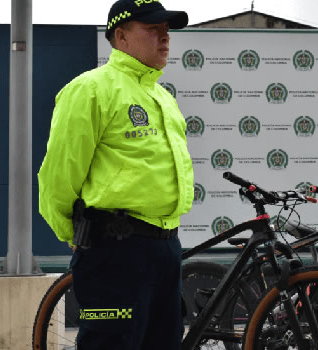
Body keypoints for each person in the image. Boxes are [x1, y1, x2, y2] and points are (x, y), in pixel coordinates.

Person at [37, 0, 193, 348]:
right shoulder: (90, 89)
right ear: (121, 36)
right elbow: (57, 177)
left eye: (167, 31)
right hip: (113, 250)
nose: (165, 38)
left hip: (166, 248)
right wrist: (75, 233)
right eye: (153, 30)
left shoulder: (162, 97)